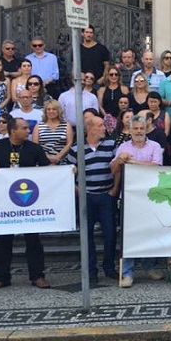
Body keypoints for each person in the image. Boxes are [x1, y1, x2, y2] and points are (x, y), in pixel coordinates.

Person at [0, 116, 52, 290]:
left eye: (28, 128)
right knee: (3, 241)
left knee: (33, 240)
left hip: (28, 202)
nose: (28, 131)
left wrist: (66, 172)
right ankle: (1, 277)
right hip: (5, 202)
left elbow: (47, 169)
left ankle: (37, 276)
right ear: (13, 131)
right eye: (25, 128)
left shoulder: (34, 148)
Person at [112, 115, 165, 286]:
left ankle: (149, 267)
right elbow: (112, 169)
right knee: (128, 234)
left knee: (151, 231)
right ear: (130, 130)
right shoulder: (123, 147)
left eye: (142, 128)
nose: (139, 131)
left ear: (146, 128)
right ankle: (127, 272)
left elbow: (156, 166)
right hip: (128, 198)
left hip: (150, 197)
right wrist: (120, 160)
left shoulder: (155, 146)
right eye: (135, 128)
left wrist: (132, 161)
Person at [68, 114, 120, 285]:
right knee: (86, 235)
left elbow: (118, 168)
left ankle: (109, 266)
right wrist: (79, 192)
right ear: (89, 128)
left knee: (110, 233)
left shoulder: (111, 145)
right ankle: (91, 270)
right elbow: (68, 173)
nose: (104, 128)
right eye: (99, 125)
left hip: (106, 195)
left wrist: (114, 189)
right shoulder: (76, 149)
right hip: (87, 197)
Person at [32, 100, 72, 165]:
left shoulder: (67, 125)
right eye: (48, 109)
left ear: (58, 111)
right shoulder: (38, 126)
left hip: (62, 162)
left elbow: (69, 144)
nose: (51, 111)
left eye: (54, 109)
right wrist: (47, 157)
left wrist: (58, 156)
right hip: (43, 161)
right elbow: (35, 145)